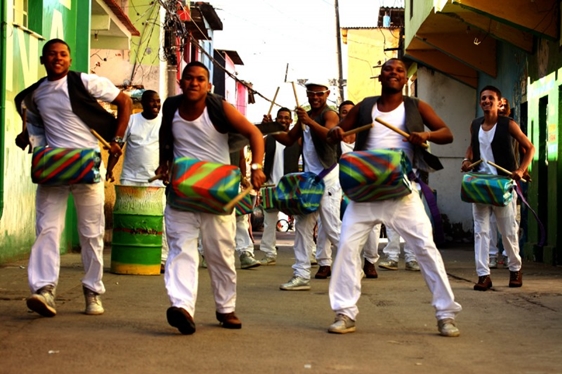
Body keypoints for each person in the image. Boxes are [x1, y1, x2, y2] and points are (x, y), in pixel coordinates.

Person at [326, 58, 462, 337]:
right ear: (381, 76)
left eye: (400, 70)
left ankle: (446, 314)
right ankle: (345, 312)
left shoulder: (416, 106)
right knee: (347, 249)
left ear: (403, 77)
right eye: (389, 69)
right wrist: (336, 131)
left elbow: (446, 134)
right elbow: (341, 134)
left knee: (425, 249)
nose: (395, 73)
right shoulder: (365, 106)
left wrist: (424, 134)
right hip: (365, 191)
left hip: (402, 192)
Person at [14, 38, 132, 317]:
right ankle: (44, 290)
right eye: (52, 54)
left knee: (91, 233)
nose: (58, 58)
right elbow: (32, 121)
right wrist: (25, 135)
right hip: (54, 167)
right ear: (43, 60)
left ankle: (93, 292)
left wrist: (117, 138)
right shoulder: (36, 93)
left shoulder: (85, 82)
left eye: (63, 54)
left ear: (69, 59)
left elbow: (124, 102)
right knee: (46, 229)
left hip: (87, 166)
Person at [156, 61, 265, 335]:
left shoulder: (218, 107)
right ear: (181, 83)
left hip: (217, 193)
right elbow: (165, 137)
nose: (194, 83)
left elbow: (254, 133)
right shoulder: (171, 107)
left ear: (208, 85)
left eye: (200, 79)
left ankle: (226, 308)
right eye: (189, 78)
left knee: (221, 254)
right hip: (182, 191)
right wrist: (163, 164)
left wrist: (256, 168)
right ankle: (182, 307)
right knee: (181, 248)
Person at [461, 85, 534, 291]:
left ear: (498, 102)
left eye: (490, 98)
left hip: (502, 184)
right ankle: (483, 275)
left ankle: (515, 269)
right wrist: (467, 160)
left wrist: (520, 170)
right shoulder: (475, 125)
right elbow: (472, 146)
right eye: (483, 98)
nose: (486, 101)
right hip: (480, 184)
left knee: (508, 230)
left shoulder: (508, 124)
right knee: (480, 231)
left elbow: (529, 148)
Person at [274, 80, 342, 290]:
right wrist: (272, 127)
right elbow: (287, 139)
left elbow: (331, 137)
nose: (315, 98)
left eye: (319, 94)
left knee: (332, 228)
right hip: (309, 181)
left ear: (327, 94)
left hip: (327, 176)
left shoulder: (329, 115)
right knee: (302, 228)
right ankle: (301, 275)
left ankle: (354, 266)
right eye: (311, 94)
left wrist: (308, 122)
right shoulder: (306, 117)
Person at [106, 90, 169, 273]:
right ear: (143, 103)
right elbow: (118, 146)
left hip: (155, 183)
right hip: (130, 179)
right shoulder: (131, 121)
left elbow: (170, 149)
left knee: (159, 222)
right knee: (129, 223)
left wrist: (168, 170)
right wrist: (110, 169)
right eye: (153, 102)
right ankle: (129, 257)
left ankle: (162, 259)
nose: (156, 105)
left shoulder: (164, 123)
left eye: (159, 102)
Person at [259, 107, 301, 265]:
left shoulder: (297, 139)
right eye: (280, 117)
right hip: (270, 185)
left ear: (291, 121)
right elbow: (255, 143)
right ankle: (269, 253)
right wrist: (264, 128)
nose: (283, 120)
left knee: (301, 221)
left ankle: (308, 253)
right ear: (276, 120)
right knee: (269, 221)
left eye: (286, 118)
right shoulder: (268, 138)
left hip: (291, 185)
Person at [234, 148, 261, 269]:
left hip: (233, 180)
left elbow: (241, 158)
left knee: (240, 218)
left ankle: (245, 253)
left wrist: (243, 178)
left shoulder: (235, 133)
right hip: (210, 178)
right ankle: (206, 253)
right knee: (210, 218)